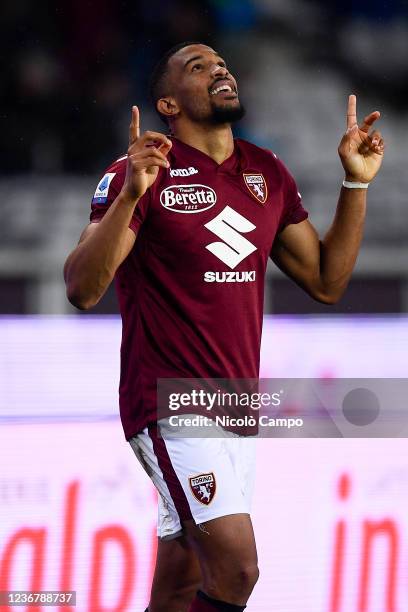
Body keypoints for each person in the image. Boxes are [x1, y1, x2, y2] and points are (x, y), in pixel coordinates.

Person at [64, 41, 385, 612]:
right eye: (198, 67)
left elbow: (326, 281)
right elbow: (82, 288)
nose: (220, 70)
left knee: (182, 582)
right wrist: (131, 194)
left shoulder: (266, 171)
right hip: (170, 402)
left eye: (222, 64)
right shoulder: (140, 171)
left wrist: (355, 184)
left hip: (238, 410)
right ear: (168, 103)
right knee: (238, 569)